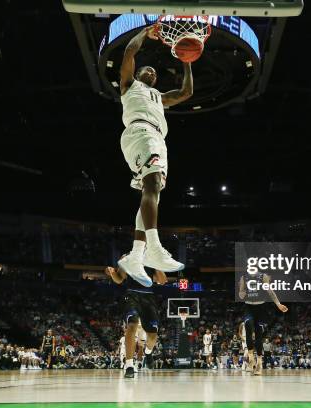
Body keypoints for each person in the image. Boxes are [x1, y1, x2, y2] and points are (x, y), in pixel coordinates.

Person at [117, 25, 194, 286]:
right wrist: (145, 33)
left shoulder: (159, 97)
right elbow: (129, 51)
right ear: (138, 75)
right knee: (151, 187)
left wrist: (187, 61)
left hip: (157, 139)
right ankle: (154, 247)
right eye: (146, 69)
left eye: (154, 71)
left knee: (153, 193)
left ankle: (135, 256)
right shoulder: (129, 86)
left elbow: (186, 93)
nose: (151, 71)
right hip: (141, 131)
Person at [105, 259, 167, 378]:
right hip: (131, 295)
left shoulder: (152, 258)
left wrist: (156, 263)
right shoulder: (127, 257)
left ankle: (148, 352)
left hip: (148, 297)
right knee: (132, 324)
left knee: (153, 335)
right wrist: (112, 272)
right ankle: (129, 365)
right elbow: (119, 279)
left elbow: (162, 280)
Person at [238, 272, 288, 375]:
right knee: (247, 325)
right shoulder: (244, 277)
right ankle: (251, 359)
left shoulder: (263, 276)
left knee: (258, 334)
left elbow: (270, 291)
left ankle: (259, 363)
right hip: (249, 307)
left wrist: (278, 304)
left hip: (260, 307)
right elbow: (241, 294)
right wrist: (241, 293)